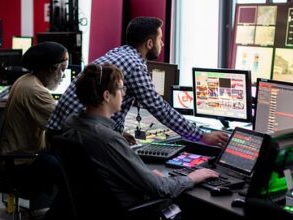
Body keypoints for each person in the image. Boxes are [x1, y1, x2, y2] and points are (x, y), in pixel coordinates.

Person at [61, 63, 219, 214]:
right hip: (130, 209)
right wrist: (192, 177)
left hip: (94, 207)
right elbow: (161, 189)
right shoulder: (109, 139)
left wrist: (146, 175)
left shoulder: (71, 123)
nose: (124, 93)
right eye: (121, 88)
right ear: (107, 95)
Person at [47, 16, 227, 146]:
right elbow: (159, 108)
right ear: (149, 43)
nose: (162, 44)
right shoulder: (134, 65)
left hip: (62, 136)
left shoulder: (117, 53)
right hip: (81, 140)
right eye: (160, 39)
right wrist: (202, 136)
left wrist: (117, 134)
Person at [0, 42, 68, 201]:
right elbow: (64, 123)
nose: (63, 75)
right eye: (62, 69)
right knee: (72, 174)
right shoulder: (35, 90)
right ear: (51, 68)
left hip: (19, 157)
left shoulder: (26, 80)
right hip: (21, 163)